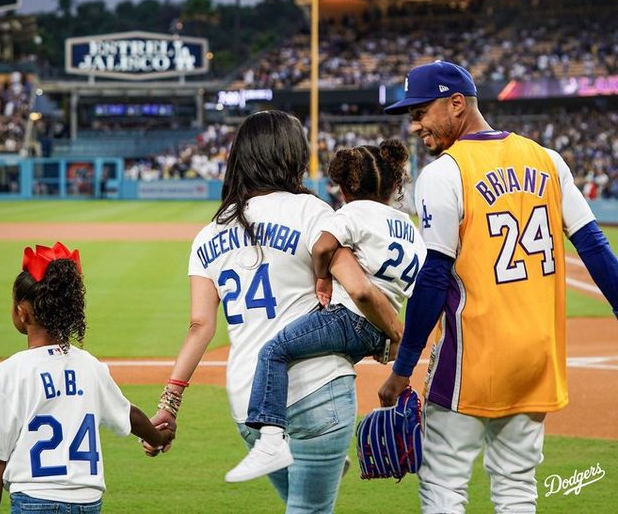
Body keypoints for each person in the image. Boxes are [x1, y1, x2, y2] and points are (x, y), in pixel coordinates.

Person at [379, 60, 618, 513]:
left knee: (443, 484)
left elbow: (434, 278)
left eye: (421, 112)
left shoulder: (444, 173)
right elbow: (593, 244)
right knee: (516, 487)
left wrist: (403, 368)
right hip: (536, 359)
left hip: (473, 358)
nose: (415, 126)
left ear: (456, 104)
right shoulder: (547, 159)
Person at [144, 110, 402, 514]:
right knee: (309, 507)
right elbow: (360, 289)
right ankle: (322, 465)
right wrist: (395, 335)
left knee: (302, 503)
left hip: (249, 402)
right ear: (292, 155)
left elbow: (200, 326)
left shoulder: (209, 233)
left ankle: (319, 468)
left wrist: (169, 403)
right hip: (319, 390)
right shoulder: (313, 212)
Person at [226, 139, 427, 482]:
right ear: (393, 184)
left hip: (349, 319)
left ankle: (270, 442)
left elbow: (322, 247)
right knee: (306, 359)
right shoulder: (410, 228)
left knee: (274, 350)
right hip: (379, 331)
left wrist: (322, 277)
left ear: (346, 188)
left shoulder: (354, 212)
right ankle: (322, 451)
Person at [0, 242, 174, 514]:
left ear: (22, 312)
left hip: (34, 499)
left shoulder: (11, 371)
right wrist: (157, 437)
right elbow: (130, 416)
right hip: (87, 502)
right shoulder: (89, 366)